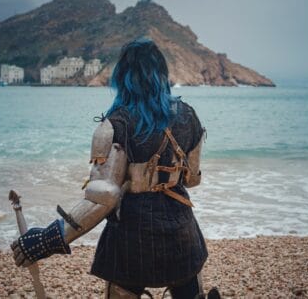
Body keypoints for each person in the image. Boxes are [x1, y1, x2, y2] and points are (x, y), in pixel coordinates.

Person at [11, 39, 216, 299]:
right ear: (162, 74)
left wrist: (48, 240)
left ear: (124, 77)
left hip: (133, 240)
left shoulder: (116, 124)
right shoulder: (189, 115)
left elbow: (103, 198)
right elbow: (192, 179)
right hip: (182, 233)